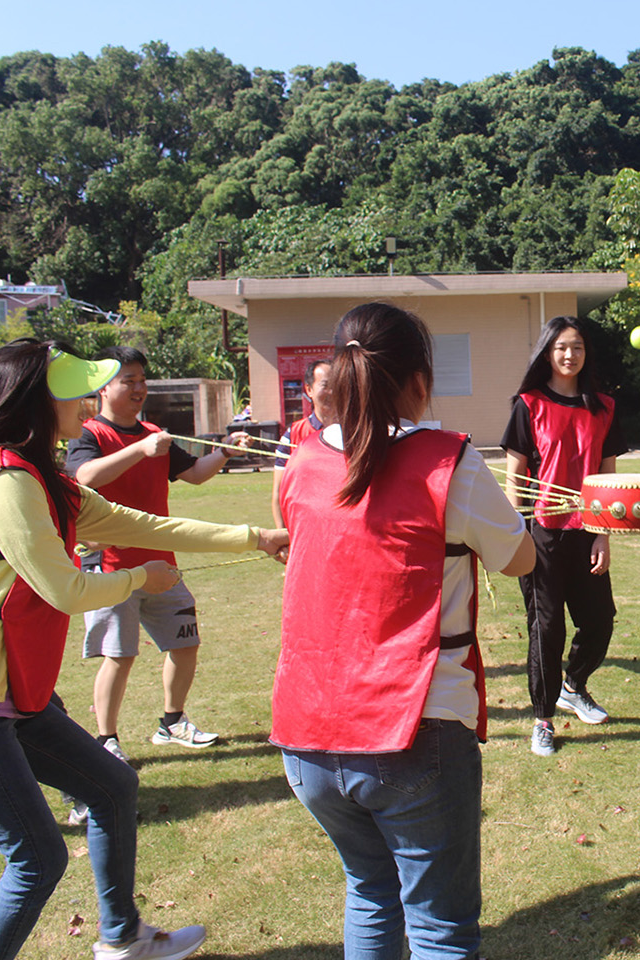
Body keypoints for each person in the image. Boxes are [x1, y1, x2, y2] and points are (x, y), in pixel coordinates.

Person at [0, 338, 287, 960]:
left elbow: (146, 525)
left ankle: (123, 937)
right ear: (36, 401)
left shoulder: (43, 480)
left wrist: (254, 536)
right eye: (74, 393)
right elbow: (67, 588)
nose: (85, 403)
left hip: (13, 690)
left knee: (112, 786)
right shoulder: (6, 482)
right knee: (37, 858)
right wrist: (139, 578)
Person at [274, 303, 533, 960]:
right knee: (440, 930)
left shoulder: (301, 460)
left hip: (307, 736)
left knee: (370, 891)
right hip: (411, 730)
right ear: (419, 381)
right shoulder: (448, 462)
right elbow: (519, 558)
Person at [66, 347, 251, 758]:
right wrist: (140, 449)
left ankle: (172, 722)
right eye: (128, 381)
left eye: (142, 381)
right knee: (119, 656)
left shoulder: (153, 432)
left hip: (161, 563)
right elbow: (84, 477)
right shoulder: (89, 434)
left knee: (185, 643)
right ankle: (107, 740)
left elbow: (195, 474)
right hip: (111, 566)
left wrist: (224, 452)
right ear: (103, 388)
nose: (139, 389)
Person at [501, 316, 626, 757]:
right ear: (547, 353)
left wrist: (603, 535)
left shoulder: (603, 407)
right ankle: (543, 719)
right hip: (542, 535)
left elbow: (608, 478)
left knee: (600, 622)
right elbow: (515, 474)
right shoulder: (529, 404)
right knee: (547, 629)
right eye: (560, 347)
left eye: (577, 347)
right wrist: (519, 530)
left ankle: (573, 684)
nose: (569, 355)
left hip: (587, 531)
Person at [270, 357, 334, 529]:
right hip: (306, 527)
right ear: (309, 389)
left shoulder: (356, 432)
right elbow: (279, 492)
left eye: (338, 385)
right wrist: (283, 534)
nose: (332, 392)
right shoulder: (292, 435)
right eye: (326, 385)